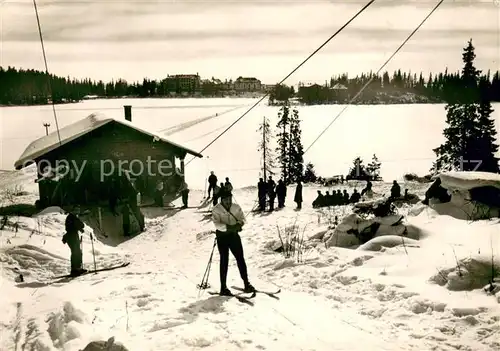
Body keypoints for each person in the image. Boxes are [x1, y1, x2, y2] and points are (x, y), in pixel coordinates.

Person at [211, 190, 255, 296]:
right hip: (222, 237)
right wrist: (231, 228)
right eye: (226, 200)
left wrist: (239, 225)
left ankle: (246, 283)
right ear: (222, 200)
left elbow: (242, 218)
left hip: (234, 236)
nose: (228, 202)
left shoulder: (236, 207)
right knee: (224, 260)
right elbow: (217, 224)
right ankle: (223, 287)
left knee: (240, 258)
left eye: (230, 199)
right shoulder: (216, 209)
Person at [62, 212, 87, 276]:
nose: (77, 211)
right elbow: (79, 225)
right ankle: (74, 270)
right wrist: (79, 227)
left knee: (78, 252)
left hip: (73, 235)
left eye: (78, 209)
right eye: (76, 209)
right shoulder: (71, 217)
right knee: (75, 252)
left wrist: (79, 228)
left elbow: (79, 225)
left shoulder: (73, 217)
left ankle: (77, 268)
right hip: (71, 236)